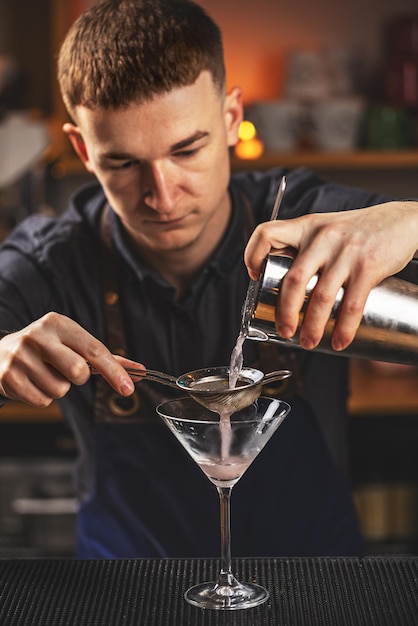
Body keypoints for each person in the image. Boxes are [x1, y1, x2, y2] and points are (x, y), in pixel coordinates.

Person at [0, 0, 416, 559]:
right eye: (123, 163)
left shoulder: (313, 219)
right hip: (121, 594)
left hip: (315, 585)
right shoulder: (50, 262)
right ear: (82, 149)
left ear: (229, 117)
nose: (162, 195)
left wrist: (411, 218)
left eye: (187, 149)